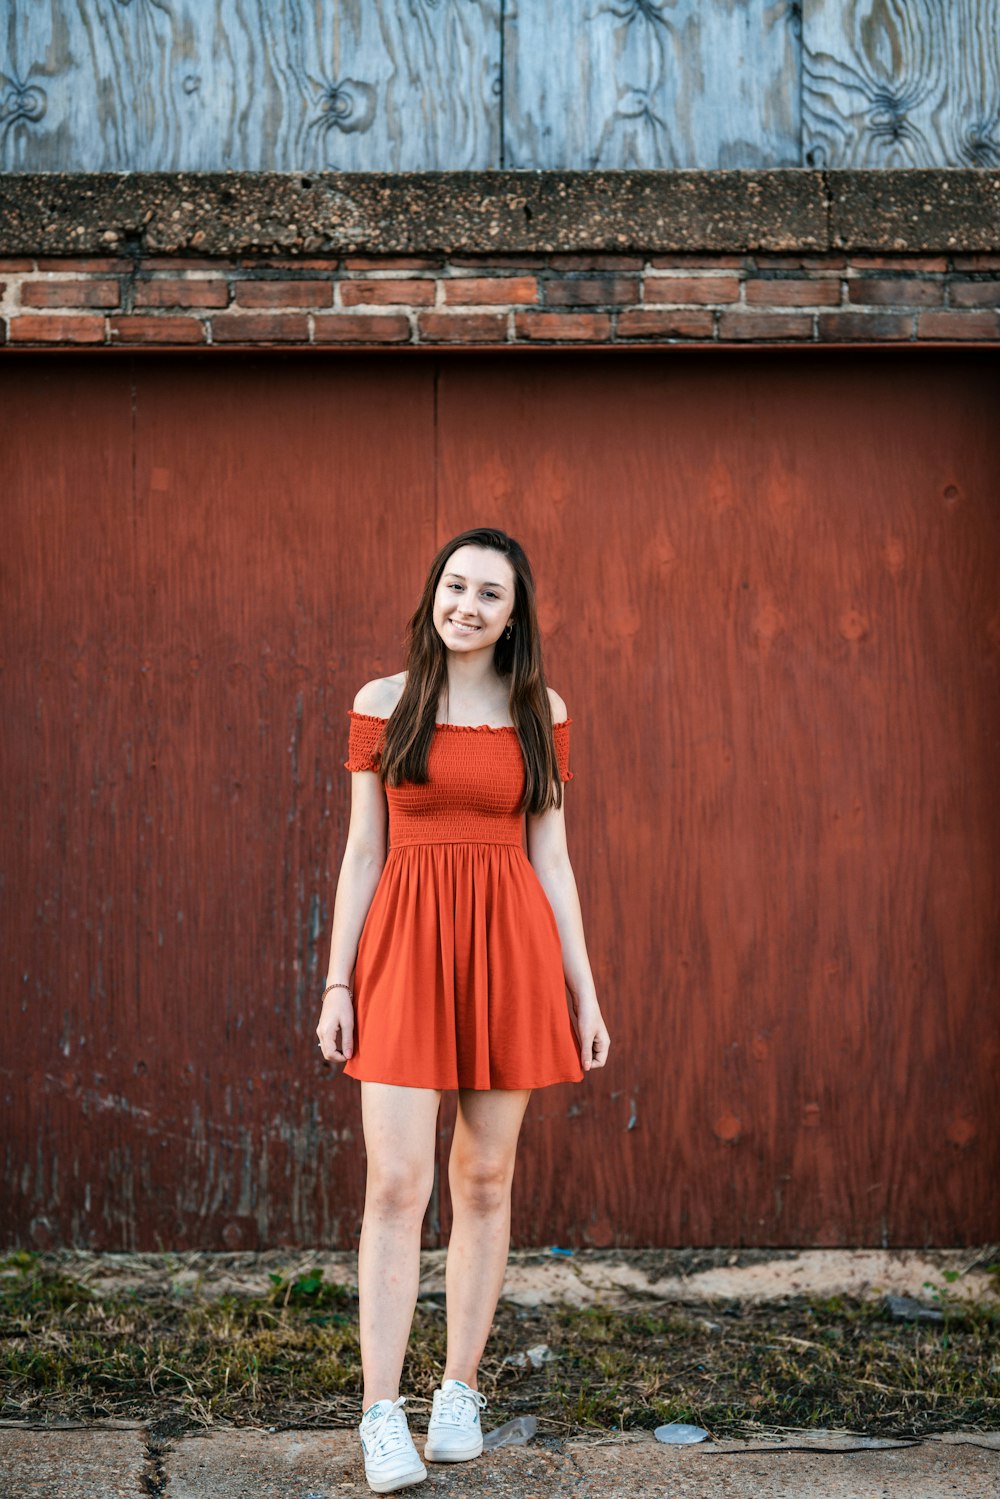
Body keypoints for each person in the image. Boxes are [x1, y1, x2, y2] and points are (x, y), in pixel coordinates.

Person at [316, 526, 611, 1494]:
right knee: (396, 1185)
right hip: (403, 950)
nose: (467, 605)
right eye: (455, 585)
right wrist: (338, 981)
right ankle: (379, 1408)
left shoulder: (542, 709)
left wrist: (582, 984)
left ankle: (458, 1389)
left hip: (510, 952)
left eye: (490, 593)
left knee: (484, 1176)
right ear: (432, 592)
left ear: (514, 613)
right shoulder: (382, 702)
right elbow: (364, 851)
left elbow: (551, 856)